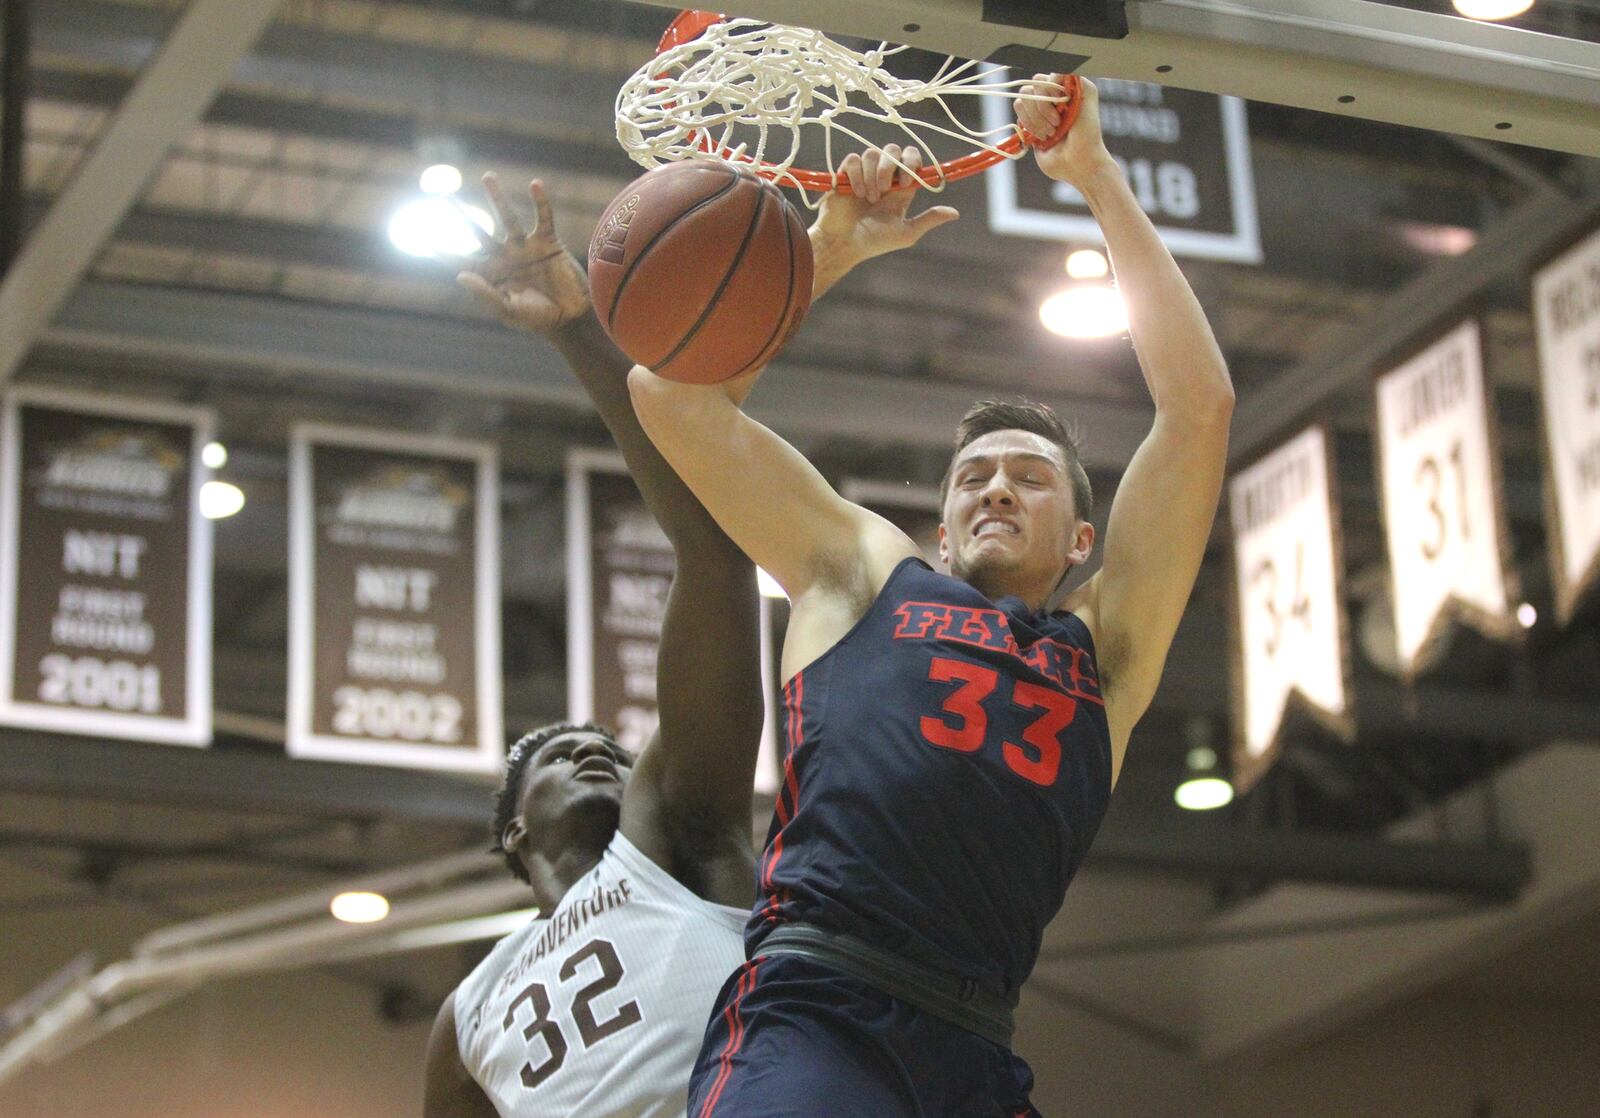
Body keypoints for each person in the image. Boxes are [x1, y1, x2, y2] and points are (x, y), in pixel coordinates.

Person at [627, 77, 1235, 1117]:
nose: (997, 482)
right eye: (972, 477)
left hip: (974, 1043)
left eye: (1030, 476)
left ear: (1083, 541)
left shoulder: (1109, 649)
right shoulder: (860, 572)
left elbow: (1198, 408)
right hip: (817, 1006)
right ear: (942, 526)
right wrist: (830, 250)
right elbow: (670, 394)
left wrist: (1094, 177)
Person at [422, 153, 957, 1118]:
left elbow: (710, 557)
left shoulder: (674, 828)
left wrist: (581, 331)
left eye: (609, 749)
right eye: (561, 753)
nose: (598, 748)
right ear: (513, 829)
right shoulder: (466, 1015)